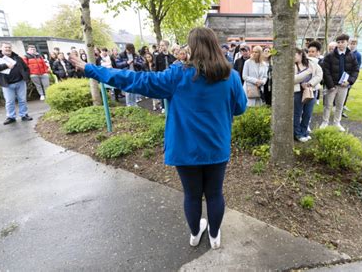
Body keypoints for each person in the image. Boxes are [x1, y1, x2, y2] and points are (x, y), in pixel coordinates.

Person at [69, 27, 247, 250]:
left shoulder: (177, 75)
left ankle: (194, 234)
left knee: (192, 195)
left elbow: (134, 79)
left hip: (184, 149)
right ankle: (214, 237)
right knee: (214, 193)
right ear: (215, 47)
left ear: (192, 48)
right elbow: (240, 108)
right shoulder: (230, 77)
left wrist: (91, 69)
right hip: (216, 147)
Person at [320, 34, 359, 132]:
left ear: (347, 43)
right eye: (338, 42)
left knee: (340, 105)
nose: (340, 44)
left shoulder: (352, 56)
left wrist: (350, 81)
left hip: (344, 86)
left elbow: (355, 70)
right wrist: (330, 85)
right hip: (332, 85)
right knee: (328, 104)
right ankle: (325, 121)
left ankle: (337, 122)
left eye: (342, 42)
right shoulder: (330, 56)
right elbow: (326, 71)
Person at [0, 42, 33, 125]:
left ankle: (24, 115)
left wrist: (26, 77)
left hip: (20, 82)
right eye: (6, 47)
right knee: (9, 101)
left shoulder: (17, 57)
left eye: (9, 47)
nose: (8, 49)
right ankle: (11, 117)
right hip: (7, 84)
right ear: (1, 48)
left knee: (22, 100)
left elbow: (26, 68)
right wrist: (6, 65)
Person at [293, 48, 323, 142]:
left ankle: (304, 132)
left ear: (300, 54)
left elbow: (319, 74)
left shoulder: (311, 62)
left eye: (294, 55)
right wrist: (307, 72)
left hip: (310, 90)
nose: (292, 58)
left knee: (308, 113)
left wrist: (310, 83)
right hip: (298, 92)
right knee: (297, 113)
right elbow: (294, 79)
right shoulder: (291, 65)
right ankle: (297, 134)